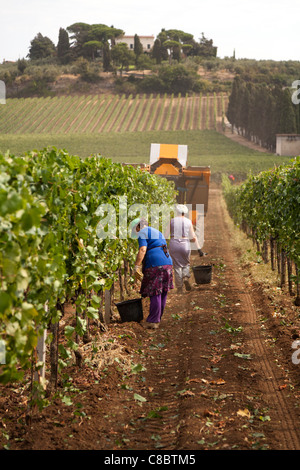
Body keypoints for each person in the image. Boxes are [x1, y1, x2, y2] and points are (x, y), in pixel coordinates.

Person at [129, 217, 174, 329]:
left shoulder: (142, 232)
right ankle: (157, 318)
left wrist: (136, 266)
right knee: (163, 291)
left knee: (155, 292)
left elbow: (142, 250)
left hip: (156, 265)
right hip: (167, 262)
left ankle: (153, 321)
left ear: (138, 227)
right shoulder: (156, 231)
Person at [166, 204, 204, 293]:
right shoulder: (188, 221)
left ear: (177, 212)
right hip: (185, 244)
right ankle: (186, 277)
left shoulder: (172, 221)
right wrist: (199, 249)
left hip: (174, 244)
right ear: (185, 213)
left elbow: (165, 235)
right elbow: (193, 237)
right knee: (186, 263)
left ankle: (179, 288)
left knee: (177, 265)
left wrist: (163, 247)